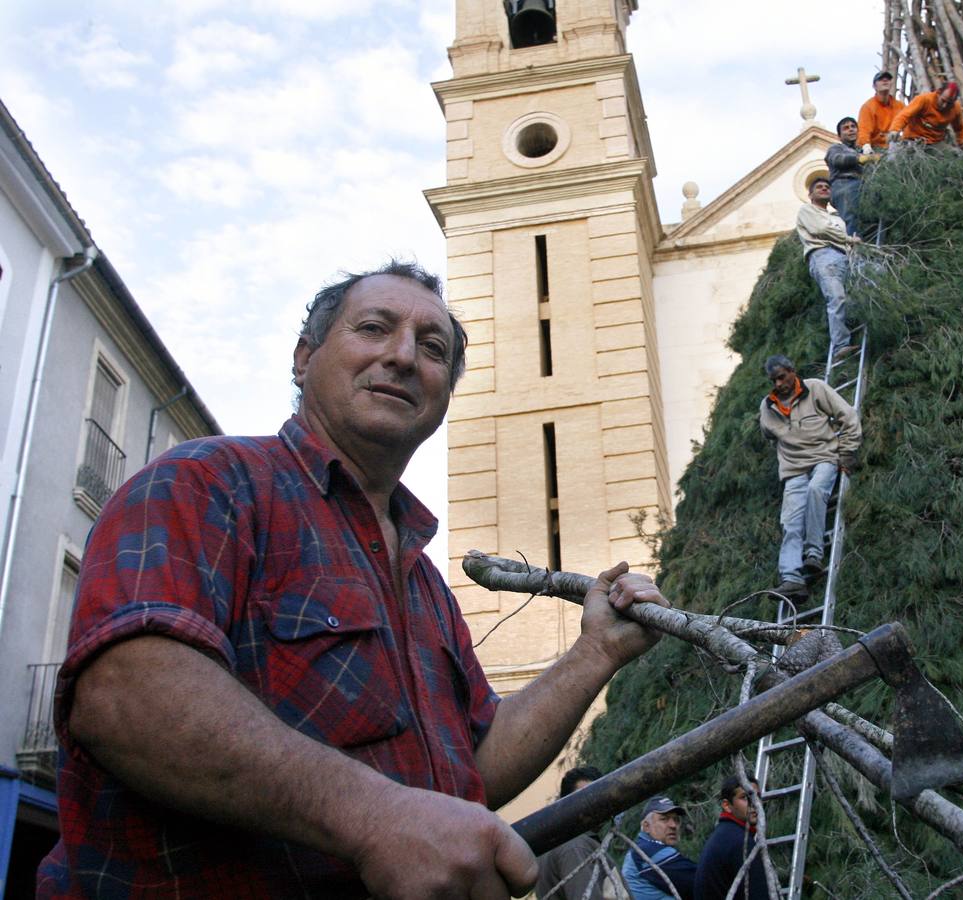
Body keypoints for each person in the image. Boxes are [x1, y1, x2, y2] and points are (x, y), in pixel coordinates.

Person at [36, 260, 669, 899]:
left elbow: (471, 770)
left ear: (444, 395)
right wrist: (372, 817)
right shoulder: (206, 482)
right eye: (374, 328)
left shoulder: (425, 586)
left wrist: (597, 652)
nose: (402, 357)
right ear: (304, 357)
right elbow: (125, 694)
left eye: (433, 349)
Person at [760, 354, 861, 601]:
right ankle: (792, 580)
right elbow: (767, 433)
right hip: (793, 469)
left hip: (824, 457)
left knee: (817, 491)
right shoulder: (768, 406)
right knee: (791, 521)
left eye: (782, 377)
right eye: (774, 380)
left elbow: (847, 416)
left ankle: (814, 554)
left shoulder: (815, 388)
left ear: (792, 371)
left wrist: (847, 451)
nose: (779, 384)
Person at [537, 766, 629, 900]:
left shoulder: (571, 842)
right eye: (586, 798)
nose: (595, 804)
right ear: (567, 804)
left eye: (599, 797)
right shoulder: (575, 847)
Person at [795, 177, 861, 361]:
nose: (824, 189)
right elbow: (821, 229)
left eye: (827, 187)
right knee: (837, 297)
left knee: (861, 288)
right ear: (810, 194)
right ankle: (841, 345)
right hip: (823, 256)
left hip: (844, 256)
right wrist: (849, 240)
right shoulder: (806, 210)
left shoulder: (837, 218)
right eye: (819, 187)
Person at [694, 776, 770, 900]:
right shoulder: (739, 842)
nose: (754, 803)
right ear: (727, 805)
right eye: (745, 797)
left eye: (757, 797)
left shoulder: (724, 835)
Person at [621, 796, 697, 900]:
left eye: (676, 819)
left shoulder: (639, 848)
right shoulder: (648, 851)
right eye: (664, 819)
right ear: (646, 826)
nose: (673, 825)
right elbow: (702, 882)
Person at [825, 117, 879, 237]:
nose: (851, 130)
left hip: (863, 186)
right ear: (839, 136)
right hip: (845, 186)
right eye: (846, 128)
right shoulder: (836, 148)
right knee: (853, 221)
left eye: (853, 127)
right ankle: (853, 249)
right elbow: (837, 159)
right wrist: (859, 158)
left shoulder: (864, 150)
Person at [893, 81, 963, 148]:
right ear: (938, 93)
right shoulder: (924, 99)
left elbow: (960, 128)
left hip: (935, 144)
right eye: (943, 101)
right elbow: (904, 115)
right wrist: (895, 129)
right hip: (913, 139)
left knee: (951, 156)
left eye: (949, 103)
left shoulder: (955, 108)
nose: (944, 106)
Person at [857, 71, 901, 152]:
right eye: (880, 79)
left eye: (888, 79)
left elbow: (909, 124)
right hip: (875, 149)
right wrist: (866, 146)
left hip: (896, 149)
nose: (885, 80)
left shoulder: (899, 106)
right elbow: (863, 131)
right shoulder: (868, 107)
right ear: (874, 86)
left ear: (891, 84)